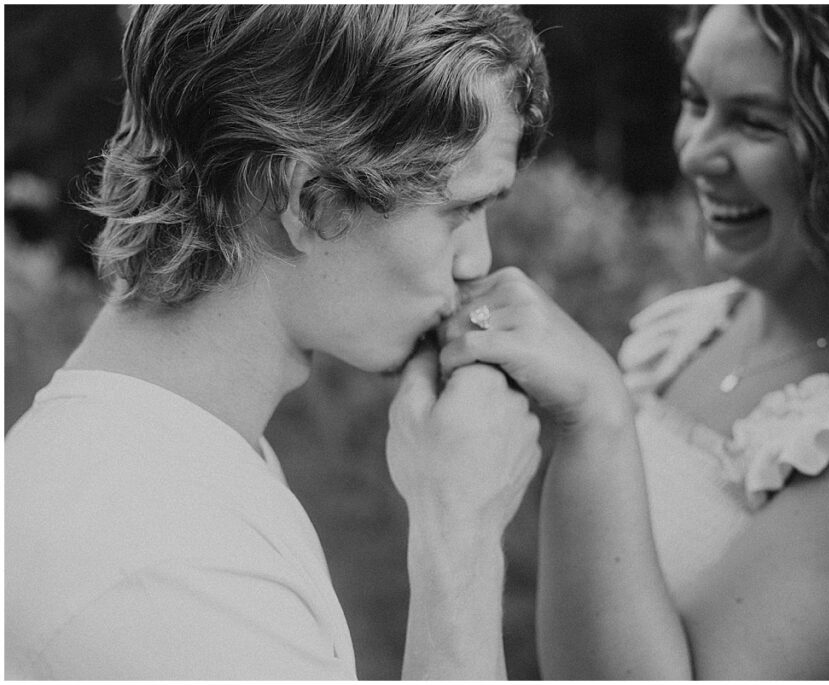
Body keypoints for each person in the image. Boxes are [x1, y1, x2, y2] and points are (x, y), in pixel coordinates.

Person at [439, 4, 829, 679]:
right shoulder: (696, 327)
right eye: (695, 100)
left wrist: (594, 413)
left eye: (755, 121)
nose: (696, 151)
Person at [5, 5, 550, 679]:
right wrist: (460, 537)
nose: (478, 260)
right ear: (307, 201)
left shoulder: (167, 467)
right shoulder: (162, 569)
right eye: (461, 210)